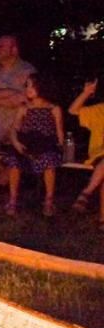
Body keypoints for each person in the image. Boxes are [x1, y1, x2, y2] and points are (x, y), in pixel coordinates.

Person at [0, 73, 63, 217]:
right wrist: (16, 143)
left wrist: (59, 147)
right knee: (14, 163)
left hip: (45, 144)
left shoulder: (54, 108)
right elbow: (14, 129)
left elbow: (59, 131)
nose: (28, 89)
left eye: (32, 86)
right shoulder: (24, 108)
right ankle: (13, 199)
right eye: (27, 85)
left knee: (50, 162)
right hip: (25, 144)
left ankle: (48, 201)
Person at [68, 79, 104, 223]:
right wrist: (86, 93)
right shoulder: (100, 110)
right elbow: (73, 110)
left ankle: (87, 193)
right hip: (100, 154)